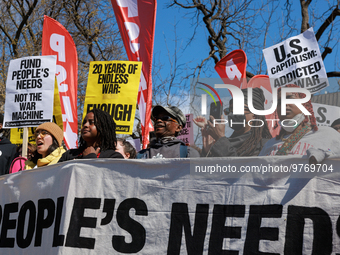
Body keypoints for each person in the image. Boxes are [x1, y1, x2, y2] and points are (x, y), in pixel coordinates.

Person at [259, 84, 340, 163]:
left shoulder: (328, 135)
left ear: (305, 104)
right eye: (279, 102)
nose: (284, 104)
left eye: (289, 99)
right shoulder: (268, 145)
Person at [195, 87, 272, 157]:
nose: (232, 113)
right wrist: (207, 152)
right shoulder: (222, 143)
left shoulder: (265, 146)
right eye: (229, 110)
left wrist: (220, 138)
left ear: (254, 114)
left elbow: (241, 170)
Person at [59, 108, 123, 161]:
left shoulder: (114, 157)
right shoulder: (69, 154)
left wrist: (90, 157)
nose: (85, 125)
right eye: (84, 122)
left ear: (103, 128)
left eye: (91, 122)